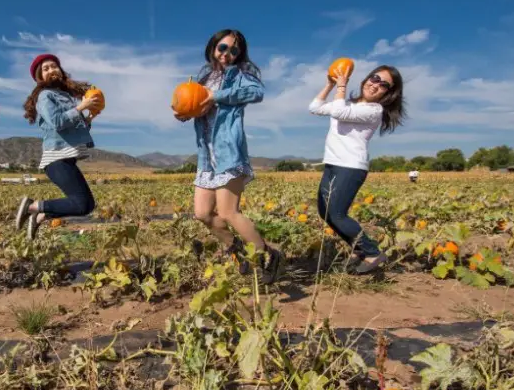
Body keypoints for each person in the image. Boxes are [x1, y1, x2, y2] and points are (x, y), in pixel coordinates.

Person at [173, 29, 283, 284]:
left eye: (234, 51)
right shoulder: (203, 78)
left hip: (229, 154)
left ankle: (269, 257)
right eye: (223, 48)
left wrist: (217, 96)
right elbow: (197, 107)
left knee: (229, 211)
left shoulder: (240, 77)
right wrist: (185, 112)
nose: (227, 54)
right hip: (207, 159)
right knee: (202, 214)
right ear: (214, 47)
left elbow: (256, 93)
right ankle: (237, 250)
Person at [309, 64, 406, 274]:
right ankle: (358, 248)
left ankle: (372, 252)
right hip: (333, 163)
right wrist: (329, 85)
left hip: (350, 167)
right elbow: (315, 108)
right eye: (374, 78)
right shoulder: (350, 104)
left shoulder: (374, 110)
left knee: (337, 214)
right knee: (326, 213)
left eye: (383, 85)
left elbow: (339, 112)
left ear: (388, 93)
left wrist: (341, 87)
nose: (375, 84)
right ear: (366, 79)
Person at [14, 54, 101, 240]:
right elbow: (57, 122)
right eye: (46, 69)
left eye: (54, 66)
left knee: (85, 204)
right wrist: (80, 107)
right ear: (40, 77)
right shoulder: (45, 96)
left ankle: (40, 216)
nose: (52, 70)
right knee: (82, 204)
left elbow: (73, 127)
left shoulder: (65, 96)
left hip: (65, 158)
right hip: (56, 159)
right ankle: (32, 206)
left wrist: (90, 116)